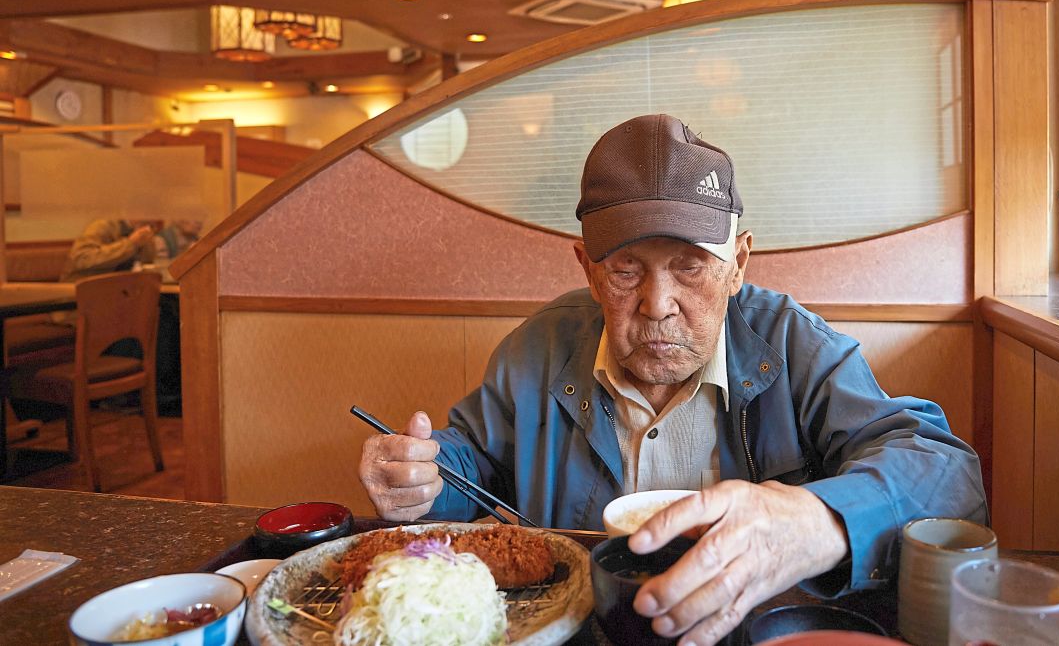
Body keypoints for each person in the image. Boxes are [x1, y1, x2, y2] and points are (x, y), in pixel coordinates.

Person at [358, 114, 986, 645]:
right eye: (626, 270)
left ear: (737, 263)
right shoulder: (539, 349)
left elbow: (945, 470)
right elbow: (470, 470)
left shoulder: (793, 346)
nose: (658, 304)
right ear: (589, 268)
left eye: (690, 268)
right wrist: (423, 483)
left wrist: (821, 519)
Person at [60, 218, 160, 282]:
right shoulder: (103, 226)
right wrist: (131, 244)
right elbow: (82, 258)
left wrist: (146, 243)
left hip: (120, 292)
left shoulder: (144, 233)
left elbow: (147, 264)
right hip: (82, 296)